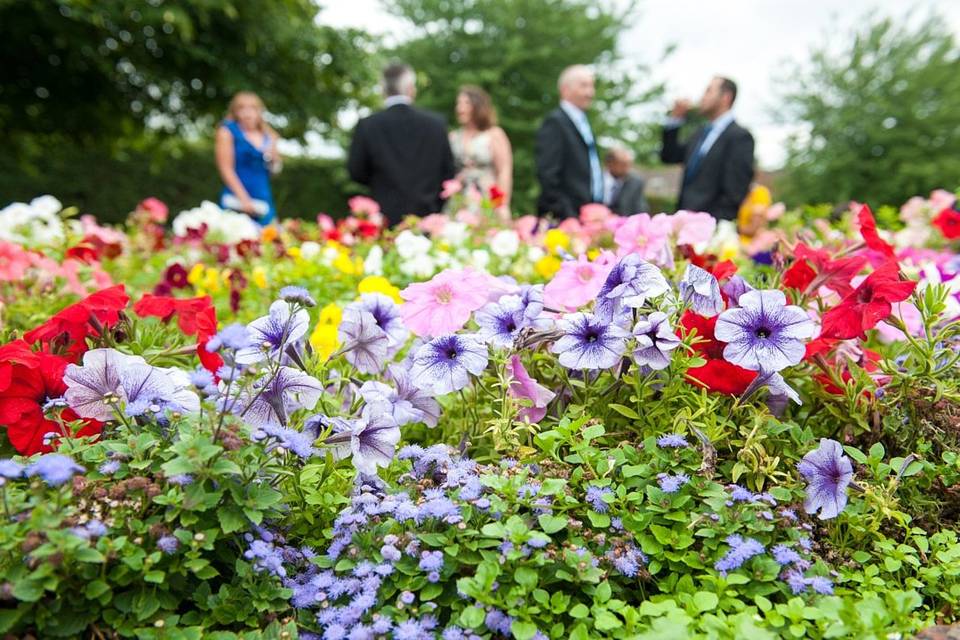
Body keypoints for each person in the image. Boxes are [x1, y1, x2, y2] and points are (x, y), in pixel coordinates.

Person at [347, 62, 455, 225]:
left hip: (384, 217)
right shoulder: (436, 124)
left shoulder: (368, 125)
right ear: (411, 88)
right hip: (428, 217)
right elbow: (448, 172)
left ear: (383, 89)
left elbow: (356, 171)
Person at [660, 76, 755, 221]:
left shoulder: (739, 137)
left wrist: (710, 226)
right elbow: (669, 156)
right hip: (684, 221)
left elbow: (735, 192)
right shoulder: (699, 134)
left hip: (709, 227)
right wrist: (675, 119)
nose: (702, 98)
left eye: (708, 91)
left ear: (726, 97)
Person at [535, 65, 604, 219]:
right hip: (565, 218)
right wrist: (568, 215)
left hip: (588, 214)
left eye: (592, 86)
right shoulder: (555, 122)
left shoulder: (584, 123)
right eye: (584, 86)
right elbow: (548, 175)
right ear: (565, 89)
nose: (590, 93)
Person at [215, 91, 281, 224]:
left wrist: (274, 159)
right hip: (236, 199)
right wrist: (244, 200)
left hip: (263, 198)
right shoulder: (227, 132)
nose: (247, 112)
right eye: (242, 108)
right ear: (235, 111)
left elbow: (274, 171)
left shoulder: (269, 135)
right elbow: (225, 168)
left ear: (259, 111)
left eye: (252, 108)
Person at [450, 85, 513, 209]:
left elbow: (504, 171)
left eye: (466, 103)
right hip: (459, 199)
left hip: (487, 198)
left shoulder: (493, 134)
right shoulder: (453, 136)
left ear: (478, 106)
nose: (460, 108)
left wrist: (501, 204)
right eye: (458, 103)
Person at [604, 146, 649, 215]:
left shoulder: (635, 183)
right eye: (623, 164)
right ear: (610, 163)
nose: (627, 169)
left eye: (629, 164)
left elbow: (640, 209)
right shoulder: (596, 180)